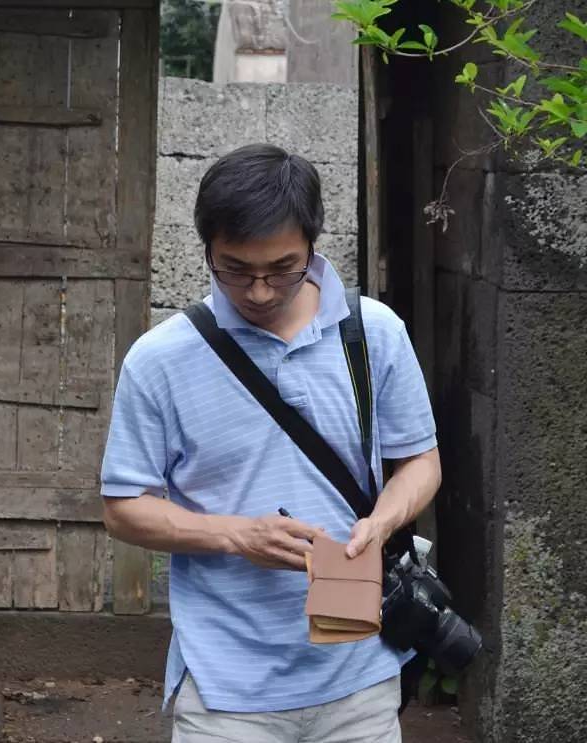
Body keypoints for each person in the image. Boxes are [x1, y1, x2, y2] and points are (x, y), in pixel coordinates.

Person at [100, 143, 441, 743]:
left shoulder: (374, 334)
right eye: (235, 270)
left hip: (360, 675)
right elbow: (123, 508)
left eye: (283, 269)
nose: (258, 292)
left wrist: (384, 521)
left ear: (313, 244)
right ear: (207, 249)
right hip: (225, 690)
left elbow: (420, 462)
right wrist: (235, 535)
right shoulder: (159, 360)